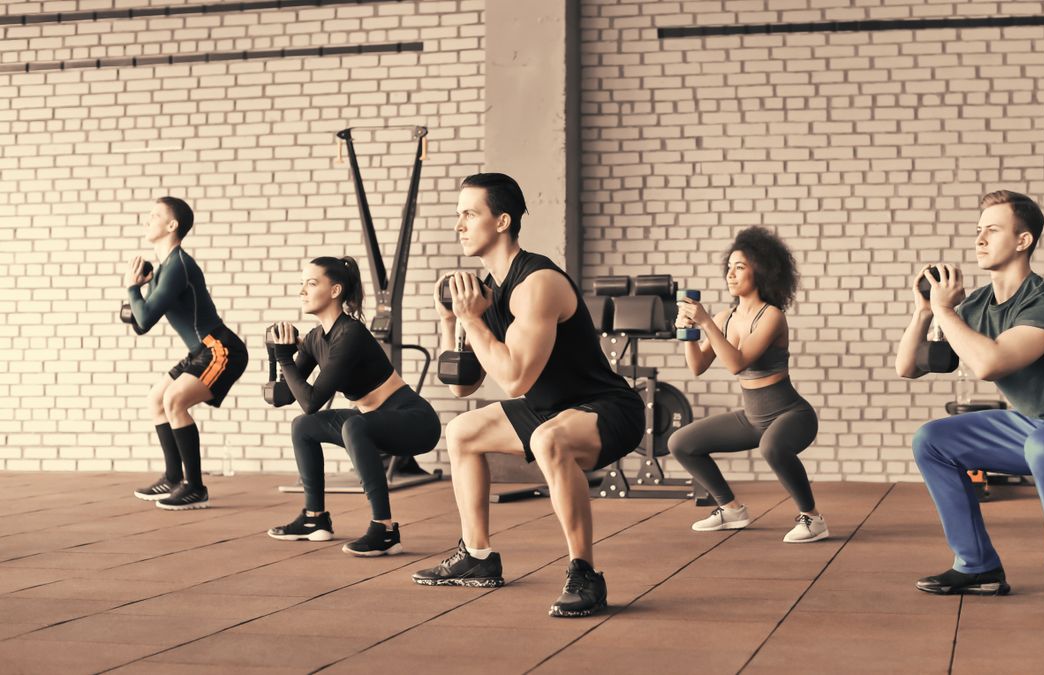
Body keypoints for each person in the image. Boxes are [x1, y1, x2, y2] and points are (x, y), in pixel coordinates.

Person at [411, 173, 643, 618]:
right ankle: (477, 556)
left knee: (548, 440)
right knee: (462, 432)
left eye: (469, 214)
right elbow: (463, 387)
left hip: (608, 409)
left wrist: (473, 321)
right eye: (458, 215)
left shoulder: (537, 283)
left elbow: (515, 379)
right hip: (549, 409)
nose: (459, 225)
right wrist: (450, 322)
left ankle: (585, 573)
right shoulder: (486, 292)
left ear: (501, 221)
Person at [895, 190, 1044, 620]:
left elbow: (989, 363)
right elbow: (909, 368)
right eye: (977, 231)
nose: (979, 240)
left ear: (1023, 241)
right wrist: (924, 312)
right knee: (932, 440)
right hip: (1032, 425)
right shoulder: (975, 306)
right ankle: (977, 567)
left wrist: (946, 311)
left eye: (992, 230)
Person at [266, 256, 441, 557]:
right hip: (372, 418)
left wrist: (284, 359)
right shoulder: (314, 339)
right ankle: (314, 518)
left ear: (334, 291)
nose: (302, 291)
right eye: (301, 284)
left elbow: (311, 401)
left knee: (353, 423)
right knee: (302, 427)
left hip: (414, 420)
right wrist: (275, 355)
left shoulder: (351, 334)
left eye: (311, 283)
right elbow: (284, 396)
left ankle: (384, 529)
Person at [669, 226, 826, 542]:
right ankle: (731, 509)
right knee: (680, 443)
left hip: (790, 415)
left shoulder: (772, 316)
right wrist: (687, 331)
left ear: (762, 271)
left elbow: (737, 362)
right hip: (753, 418)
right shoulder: (725, 315)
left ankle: (812, 518)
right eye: (729, 267)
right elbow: (698, 366)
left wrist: (705, 322)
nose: (731, 274)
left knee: (772, 447)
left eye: (739, 267)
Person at [127, 197, 248, 510]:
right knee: (157, 398)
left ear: (172, 225)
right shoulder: (166, 268)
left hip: (221, 348)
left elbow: (143, 317)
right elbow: (142, 325)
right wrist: (139, 292)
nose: (146, 220)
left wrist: (132, 290)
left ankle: (194, 487)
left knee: (175, 400)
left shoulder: (179, 264)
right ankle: (172, 478)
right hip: (200, 350)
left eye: (154, 215)